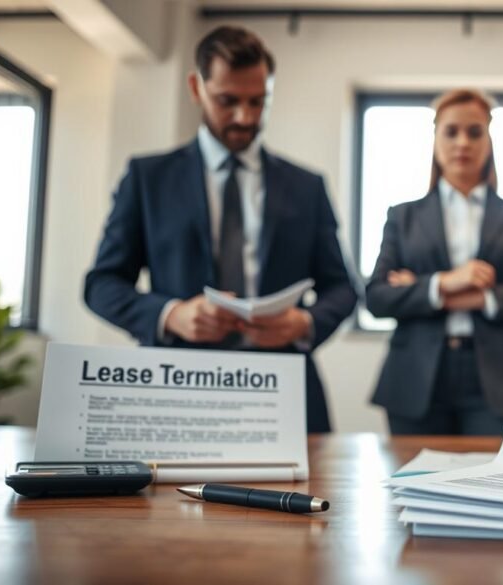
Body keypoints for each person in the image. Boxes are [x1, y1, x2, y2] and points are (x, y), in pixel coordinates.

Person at [84, 26, 356, 433]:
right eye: (228, 101)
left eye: (257, 101)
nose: (245, 117)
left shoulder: (307, 186)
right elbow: (101, 284)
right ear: (196, 88)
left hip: (285, 393)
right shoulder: (148, 178)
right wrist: (171, 315)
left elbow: (344, 288)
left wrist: (305, 323)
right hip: (176, 391)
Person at [366, 88, 503, 435]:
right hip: (415, 377)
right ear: (435, 138)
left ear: (489, 140)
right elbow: (376, 298)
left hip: (500, 378)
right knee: (412, 471)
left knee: (493, 470)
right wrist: (445, 282)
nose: (462, 143)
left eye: (474, 132)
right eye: (451, 131)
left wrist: (470, 296)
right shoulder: (403, 216)